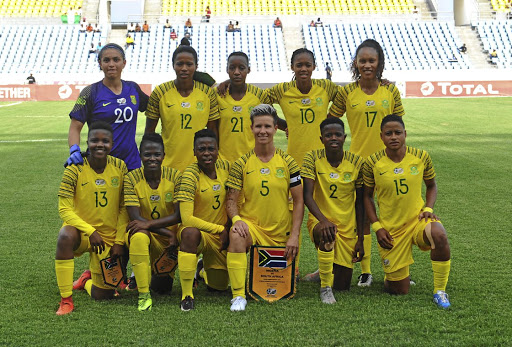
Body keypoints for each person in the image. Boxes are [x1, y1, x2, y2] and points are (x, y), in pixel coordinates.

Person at [327, 39, 404, 287]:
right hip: (359, 162)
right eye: (363, 61)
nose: (367, 65)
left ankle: (399, 268)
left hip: (388, 162)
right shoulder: (347, 92)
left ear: (379, 62)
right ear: (356, 63)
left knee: (394, 214)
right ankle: (367, 271)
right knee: (363, 216)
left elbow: (398, 126)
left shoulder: (390, 91)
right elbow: (331, 121)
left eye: (372, 60)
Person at [363, 114, 451, 308]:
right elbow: (367, 197)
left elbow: (431, 185)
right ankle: (395, 275)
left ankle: (440, 291)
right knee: (399, 290)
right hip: (391, 229)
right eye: (388, 133)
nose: (393, 137)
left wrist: (428, 208)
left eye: (398, 132)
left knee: (439, 233)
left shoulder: (421, 156)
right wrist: (377, 227)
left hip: (418, 220)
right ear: (381, 137)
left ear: (405, 134)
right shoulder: (372, 162)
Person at [225, 104, 304, 311]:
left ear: (275, 128)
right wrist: (237, 220)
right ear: (251, 128)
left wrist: (294, 235)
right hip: (254, 229)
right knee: (235, 234)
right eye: (258, 126)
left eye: (267, 126)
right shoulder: (241, 163)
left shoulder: (288, 162)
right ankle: (238, 296)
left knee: (282, 288)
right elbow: (231, 200)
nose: (263, 131)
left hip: (281, 232)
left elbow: (299, 201)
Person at [54, 121, 128, 315]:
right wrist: (90, 230)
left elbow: (124, 207)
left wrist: (119, 241)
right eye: (94, 140)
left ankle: (86, 280)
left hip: (107, 237)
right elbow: (64, 210)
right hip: (83, 233)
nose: (99, 145)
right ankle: (66, 300)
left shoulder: (120, 167)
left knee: (103, 296)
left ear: (112, 144)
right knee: (65, 235)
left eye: (105, 141)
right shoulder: (74, 168)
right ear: (87, 141)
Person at [302, 117, 365, 304]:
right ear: (321, 139)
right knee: (327, 233)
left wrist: (360, 239)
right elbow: (307, 195)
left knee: (343, 286)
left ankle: (322, 271)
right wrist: (323, 220)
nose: (333, 138)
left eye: (338, 134)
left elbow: (361, 203)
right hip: (320, 221)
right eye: (328, 135)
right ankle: (325, 287)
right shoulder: (312, 158)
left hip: (347, 226)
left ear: (345, 137)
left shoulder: (357, 162)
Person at [66, 43, 149, 171]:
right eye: (106, 60)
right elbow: (75, 127)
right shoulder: (89, 92)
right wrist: (74, 150)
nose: (111, 64)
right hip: (100, 165)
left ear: (124, 63)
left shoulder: (133, 88)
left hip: (131, 164)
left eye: (116, 60)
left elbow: (154, 108)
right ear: (100, 63)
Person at [124, 133, 182, 311]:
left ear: (164, 155)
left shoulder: (176, 176)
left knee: (163, 289)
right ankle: (143, 295)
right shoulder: (131, 178)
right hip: (149, 234)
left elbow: (179, 215)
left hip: (167, 243)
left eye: (157, 154)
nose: (152, 158)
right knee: (139, 234)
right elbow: (135, 218)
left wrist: (157, 229)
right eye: (147, 154)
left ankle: (145, 275)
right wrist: (168, 232)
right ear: (140, 156)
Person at [175, 129, 231, 311]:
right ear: (194, 151)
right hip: (199, 234)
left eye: (210, 148)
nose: (206, 153)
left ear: (217, 150)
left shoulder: (226, 168)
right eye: (201, 149)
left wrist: (228, 229)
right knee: (190, 233)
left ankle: (201, 270)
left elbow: (235, 201)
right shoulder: (190, 175)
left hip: (219, 238)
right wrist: (219, 229)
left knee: (219, 288)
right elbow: (186, 218)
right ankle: (187, 295)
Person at [145, 45, 219, 173]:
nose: (184, 68)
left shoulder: (207, 93)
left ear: (196, 66)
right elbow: (149, 132)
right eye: (180, 64)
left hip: (199, 166)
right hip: (167, 166)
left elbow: (213, 131)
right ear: (173, 65)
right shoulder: (160, 92)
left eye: (189, 64)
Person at [217, 52, 269, 163]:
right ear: (227, 70)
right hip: (223, 161)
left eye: (241, 68)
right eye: (232, 68)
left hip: (251, 160)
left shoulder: (258, 95)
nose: (236, 72)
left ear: (248, 70)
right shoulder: (217, 95)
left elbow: (272, 121)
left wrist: (291, 127)